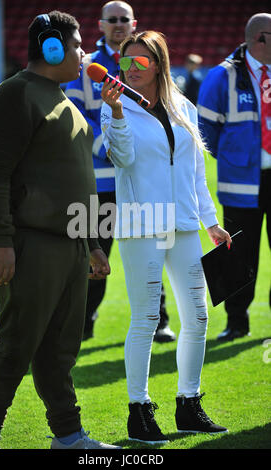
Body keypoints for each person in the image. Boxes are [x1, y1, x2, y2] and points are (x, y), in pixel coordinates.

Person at [0, 11, 120, 450]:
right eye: (76, 45)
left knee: (60, 350)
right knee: (17, 343)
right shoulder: (15, 95)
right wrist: (1, 240)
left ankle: (68, 436)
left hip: (73, 245)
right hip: (30, 242)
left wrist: (92, 242)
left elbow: (77, 179)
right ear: (50, 48)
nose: (82, 53)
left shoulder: (65, 101)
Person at [100, 30, 231, 444]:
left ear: (158, 64)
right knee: (146, 318)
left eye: (139, 62)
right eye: (125, 62)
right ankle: (138, 411)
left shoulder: (184, 107)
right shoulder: (113, 106)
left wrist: (210, 221)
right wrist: (117, 114)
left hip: (186, 224)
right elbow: (121, 157)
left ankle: (188, 405)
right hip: (142, 224)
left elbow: (195, 173)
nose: (130, 70)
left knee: (197, 317)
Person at [65, 1, 176, 343]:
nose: (118, 24)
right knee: (92, 254)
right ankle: (82, 321)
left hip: (142, 179)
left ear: (134, 22)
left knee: (151, 251)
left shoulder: (148, 64)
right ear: (100, 24)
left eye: (123, 19)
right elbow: (75, 114)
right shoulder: (86, 66)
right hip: (98, 179)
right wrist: (108, 148)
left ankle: (158, 321)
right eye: (111, 20)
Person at [198, 13, 271, 342]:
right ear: (261, 39)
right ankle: (236, 322)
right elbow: (203, 132)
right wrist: (235, 159)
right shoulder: (222, 76)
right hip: (240, 180)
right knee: (238, 253)